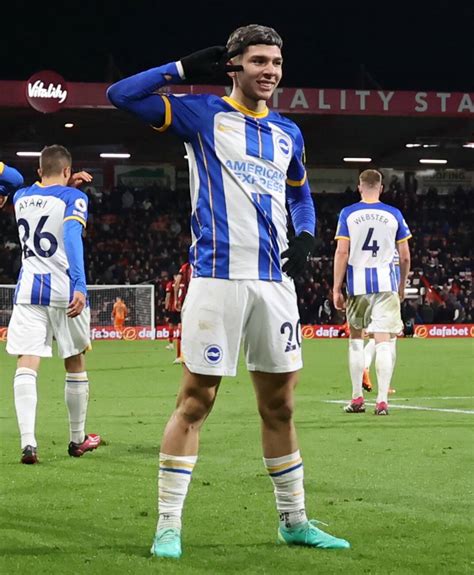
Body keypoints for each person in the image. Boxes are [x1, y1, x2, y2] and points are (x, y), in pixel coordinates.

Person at [108, 23, 349, 558]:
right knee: (196, 401)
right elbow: (120, 95)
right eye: (259, 60)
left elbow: (301, 194)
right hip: (217, 279)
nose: (270, 71)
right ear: (234, 64)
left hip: (274, 285)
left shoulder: (289, 132)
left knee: (281, 406)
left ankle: (294, 520)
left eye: (277, 63)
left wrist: (307, 234)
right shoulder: (200, 114)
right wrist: (180, 69)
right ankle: (168, 524)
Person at [5, 145, 101, 464]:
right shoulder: (74, 198)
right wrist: (80, 285)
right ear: (67, 170)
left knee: (27, 362)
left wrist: (64, 184)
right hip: (64, 290)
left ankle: (28, 444)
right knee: (74, 361)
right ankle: (76, 440)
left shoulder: (20, 198)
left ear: (38, 172)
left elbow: (42, 197)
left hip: (29, 289)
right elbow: (71, 236)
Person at [333, 169, 411, 416]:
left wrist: (336, 288)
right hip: (386, 285)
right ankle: (381, 402)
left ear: (359, 186)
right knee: (384, 343)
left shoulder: (348, 213)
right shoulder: (393, 214)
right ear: (381, 187)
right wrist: (401, 285)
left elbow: (342, 252)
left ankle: (357, 399)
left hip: (357, 286)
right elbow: (406, 256)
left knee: (356, 342)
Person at [362, 248, 401, 394]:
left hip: (367, 291)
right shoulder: (392, 248)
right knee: (389, 340)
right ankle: (385, 384)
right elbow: (404, 263)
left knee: (376, 338)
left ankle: (364, 366)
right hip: (389, 293)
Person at [163, 274, 181, 362]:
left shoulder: (170, 284)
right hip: (181, 308)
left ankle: (171, 344)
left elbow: (168, 297)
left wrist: (166, 310)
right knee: (180, 327)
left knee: (171, 326)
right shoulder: (184, 283)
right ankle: (181, 347)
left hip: (172, 309)